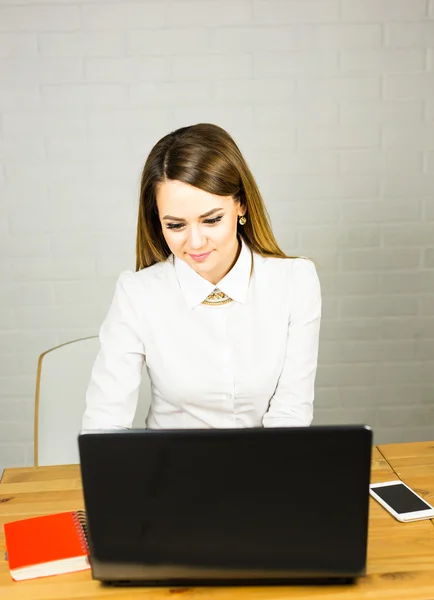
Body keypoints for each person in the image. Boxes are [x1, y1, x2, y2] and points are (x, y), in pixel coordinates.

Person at [82, 123, 321, 431]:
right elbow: (104, 423)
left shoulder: (295, 281)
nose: (195, 243)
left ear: (241, 204)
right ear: (158, 221)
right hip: (169, 472)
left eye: (211, 220)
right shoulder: (137, 293)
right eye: (176, 226)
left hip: (267, 466)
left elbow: (291, 414)